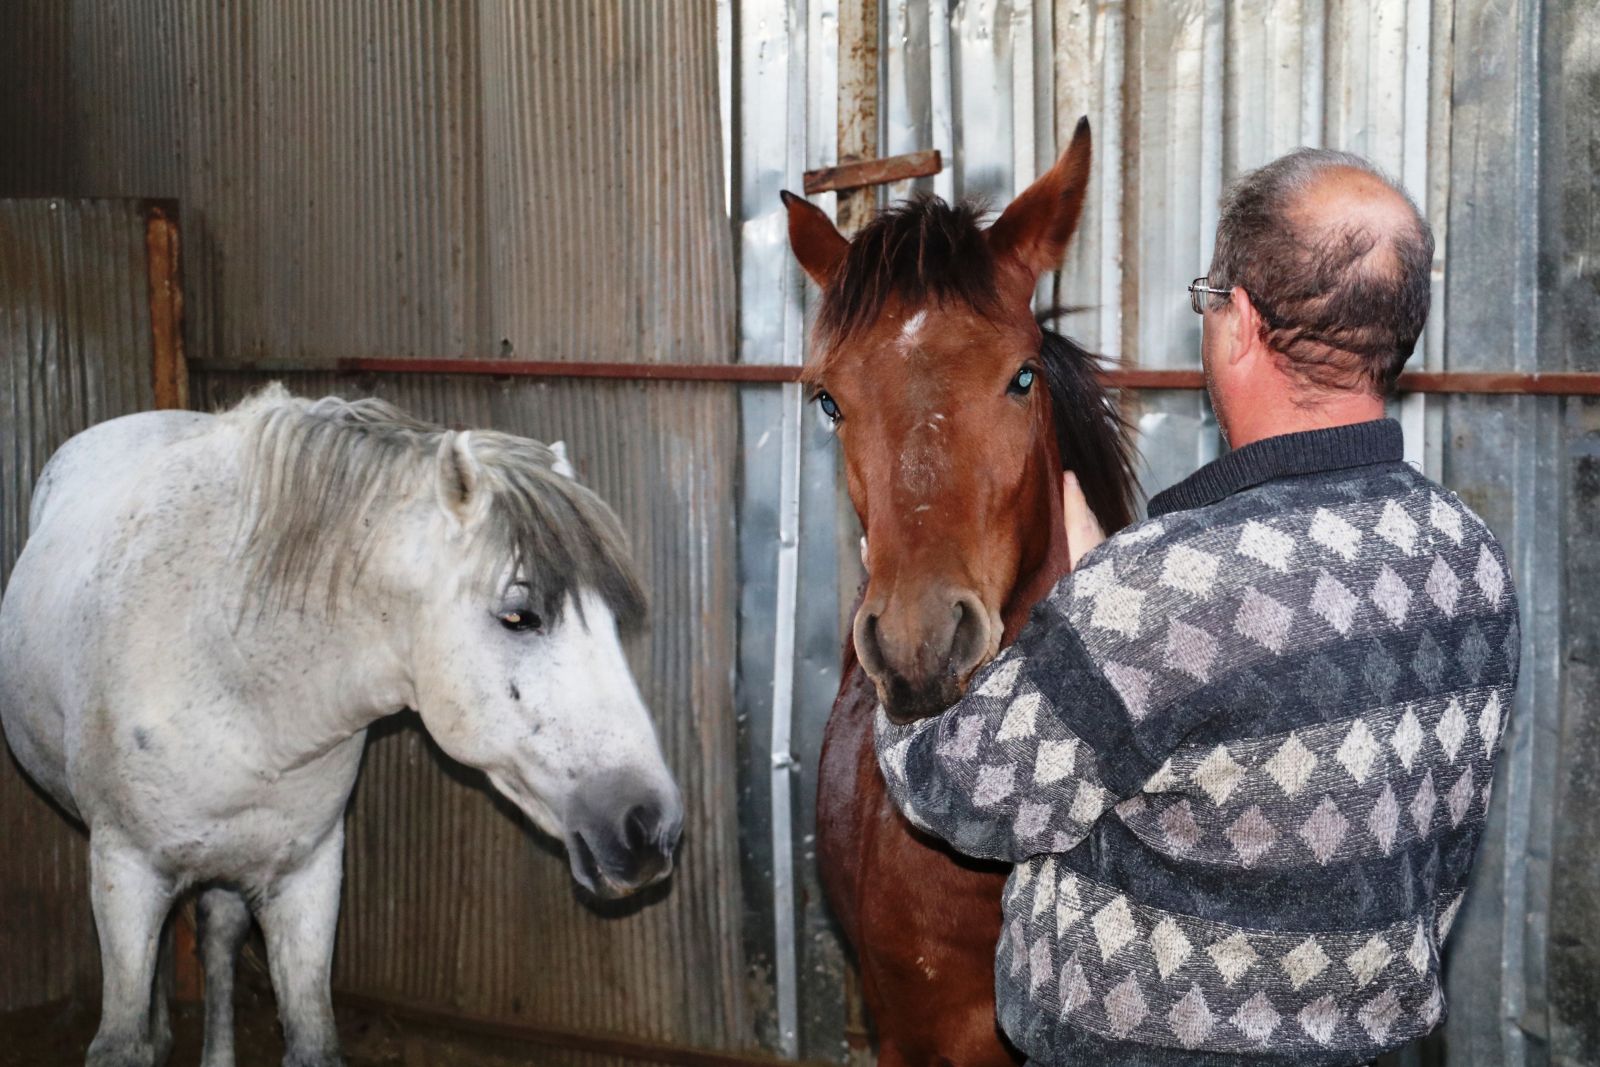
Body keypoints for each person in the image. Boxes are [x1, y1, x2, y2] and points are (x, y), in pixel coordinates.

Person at [874, 148, 1520, 1065]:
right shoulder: (1468, 556)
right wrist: (1108, 619)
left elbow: (962, 795)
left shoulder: (1159, 594)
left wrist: (910, 672)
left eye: (1209, 297)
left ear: (1242, 323)